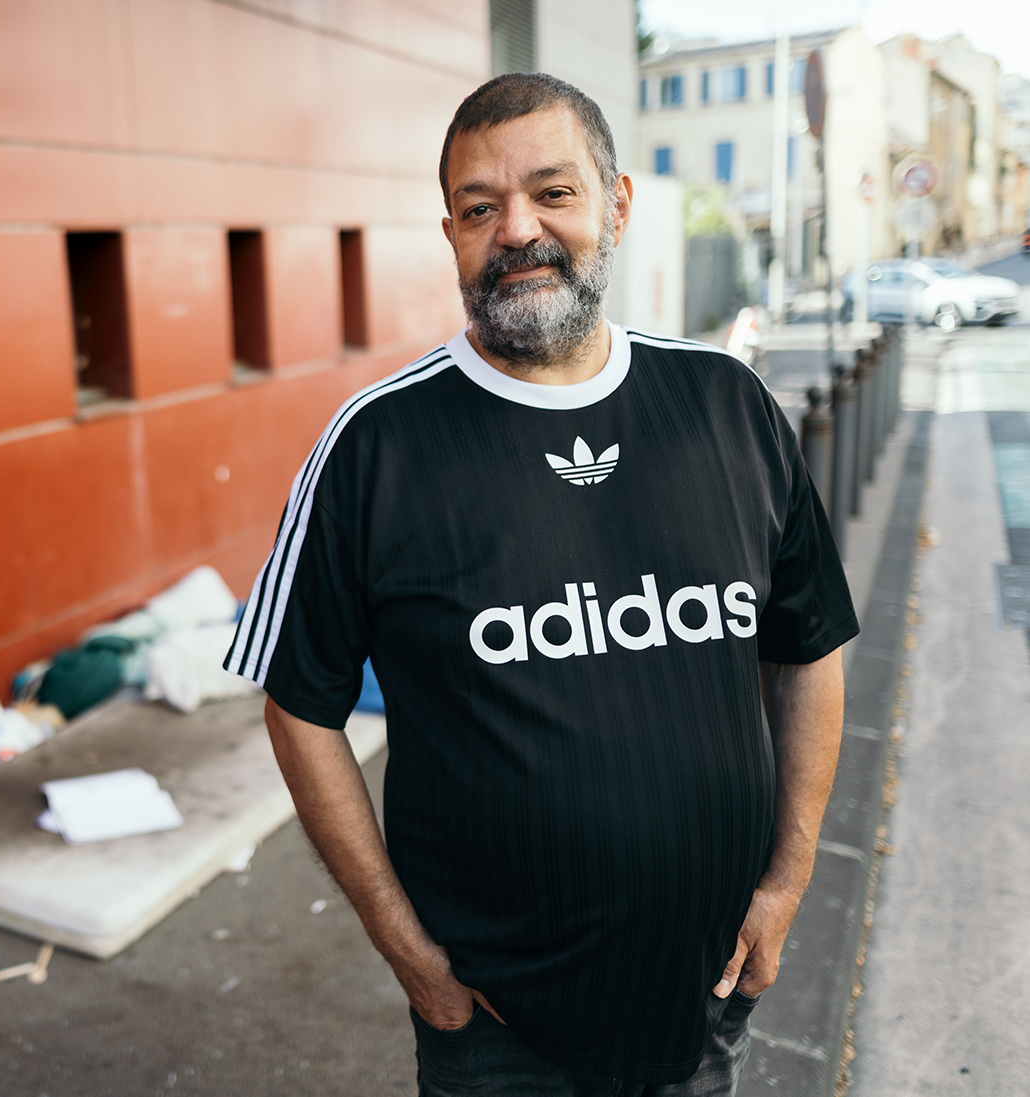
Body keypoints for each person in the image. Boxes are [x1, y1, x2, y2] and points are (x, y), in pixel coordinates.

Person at [224, 73, 857, 1095]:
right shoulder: (375, 445)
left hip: (705, 996)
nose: (515, 229)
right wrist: (409, 953)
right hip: (493, 1033)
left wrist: (784, 882)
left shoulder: (724, 407)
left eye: (551, 193)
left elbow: (807, 650)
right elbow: (298, 706)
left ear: (615, 204)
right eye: (479, 207)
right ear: (450, 235)